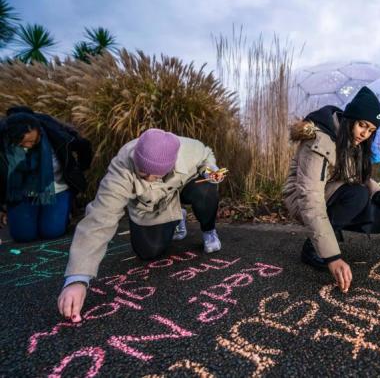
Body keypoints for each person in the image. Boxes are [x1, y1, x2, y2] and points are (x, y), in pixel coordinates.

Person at [57, 128, 225, 322]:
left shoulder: (190, 150)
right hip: (152, 207)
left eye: (153, 175)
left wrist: (210, 169)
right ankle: (177, 216)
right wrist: (78, 277)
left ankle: (209, 230)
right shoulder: (122, 168)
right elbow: (100, 218)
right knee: (148, 252)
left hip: (182, 187)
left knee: (207, 188)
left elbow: (207, 153)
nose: (146, 178)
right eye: (142, 172)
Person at [283, 87, 380, 293]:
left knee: (378, 212)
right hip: (301, 198)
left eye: (371, 130)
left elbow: (358, 178)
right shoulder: (319, 141)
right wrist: (333, 257)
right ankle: (314, 247)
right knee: (357, 195)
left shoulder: (350, 140)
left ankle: (329, 232)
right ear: (350, 119)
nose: (365, 134)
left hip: (328, 192)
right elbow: (310, 199)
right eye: (362, 125)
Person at [0, 106, 92, 242]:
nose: (28, 146)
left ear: (37, 131)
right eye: (22, 144)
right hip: (21, 193)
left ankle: (65, 212)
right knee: (23, 236)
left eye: (31, 141)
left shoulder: (56, 135)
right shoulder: (4, 143)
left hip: (56, 189)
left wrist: (79, 169)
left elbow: (84, 145)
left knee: (51, 232)